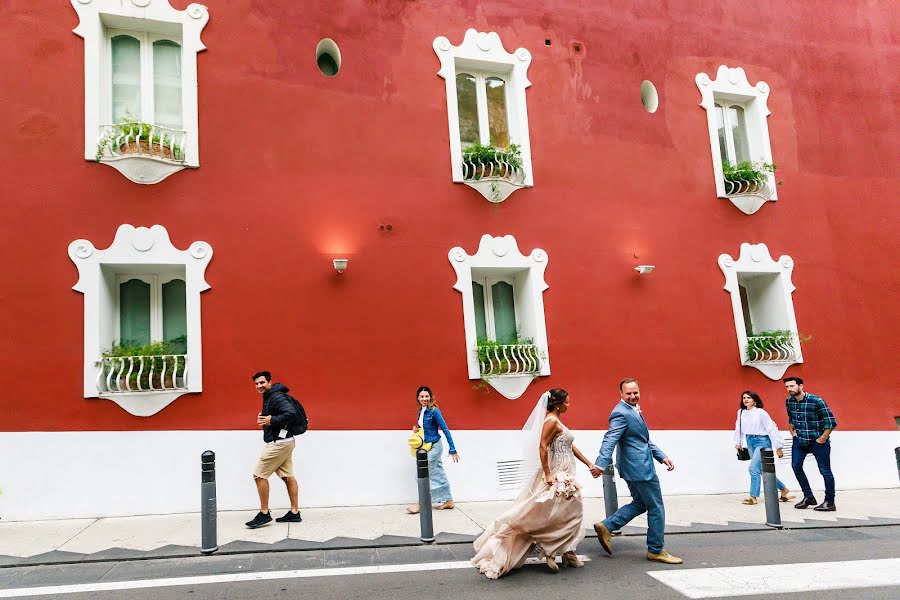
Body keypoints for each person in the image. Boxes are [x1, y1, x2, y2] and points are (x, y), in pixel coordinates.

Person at [472, 388, 601, 579]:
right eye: (567, 402)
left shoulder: (557, 421)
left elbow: (569, 446)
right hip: (557, 473)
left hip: (567, 472)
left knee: (565, 513)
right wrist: (549, 474)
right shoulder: (551, 421)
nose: (569, 404)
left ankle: (567, 552)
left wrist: (589, 462)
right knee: (553, 513)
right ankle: (553, 550)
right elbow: (542, 446)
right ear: (557, 404)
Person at [592, 378, 682, 565]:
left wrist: (661, 456)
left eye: (635, 392)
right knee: (656, 507)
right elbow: (610, 439)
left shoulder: (632, 410)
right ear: (621, 394)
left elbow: (642, 440)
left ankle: (607, 526)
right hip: (640, 469)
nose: (633, 396)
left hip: (633, 467)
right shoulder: (621, 413)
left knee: (641, 503)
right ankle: (656, 550)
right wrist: (600, 464)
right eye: (629, 393)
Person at [245, 371, 302, 529]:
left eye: (262, 383)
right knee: (287, 476)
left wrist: (271, 420)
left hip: (279, 443)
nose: (259, 386)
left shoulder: (276, 396)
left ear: (269, 382)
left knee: (259, 475)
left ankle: (264, 514)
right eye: (256, 384)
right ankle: (294, 512)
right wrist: (265, 419)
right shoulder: (270, 396)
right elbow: (278, 416)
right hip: (286, 441)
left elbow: (290, 413)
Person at [784, 376, 838, 511]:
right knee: (796, 466)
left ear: (801, 386)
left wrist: (823, 438)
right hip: (800, 441)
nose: (789, 389)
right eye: (787, 387)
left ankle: (830, 502)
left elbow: (831, 421)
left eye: (792, 386)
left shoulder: (816, 401)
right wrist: (792, 431)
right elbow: (791, 417)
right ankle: (808, 497)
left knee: (825, 471)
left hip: (817, 441)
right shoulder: (789, 401)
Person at [733, 390, 794, 505]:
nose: (746, 399)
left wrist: (778, 446)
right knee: (760, 470)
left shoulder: (761, 413)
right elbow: (738, 427)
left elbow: (772, 428)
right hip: (749, 440)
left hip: (762, 441)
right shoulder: (741, 412)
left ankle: (753, 497)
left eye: (749, 398)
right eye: (744, 398)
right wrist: (738, 442)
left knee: (753, 468)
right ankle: (784, 489)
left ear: (755, 401)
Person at [407, 386, 459, 514]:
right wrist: (416, 429)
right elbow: (424, 428)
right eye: (422, 396)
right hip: (427, 446)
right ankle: (449, 501)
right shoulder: (421, 410)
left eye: (426, 396)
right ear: (418, 398)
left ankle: (422, 503)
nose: (424, 398)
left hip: (435, 446)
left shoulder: (434, 411)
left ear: (430, 397)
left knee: (421, 474)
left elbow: (445, 429)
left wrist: (452, 448)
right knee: (438, 472)